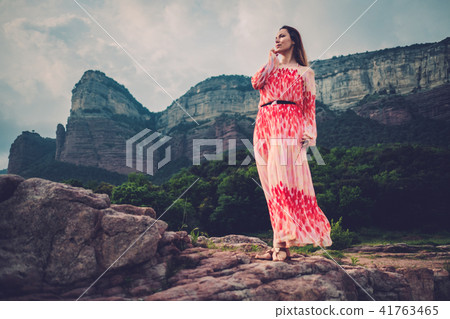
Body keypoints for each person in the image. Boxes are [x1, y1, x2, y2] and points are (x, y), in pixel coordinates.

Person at [252, 25, 332, 261]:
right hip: (264, 124)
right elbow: (256, 83)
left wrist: (309, 133)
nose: (277, 39)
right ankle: (280, 244)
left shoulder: (305, 73)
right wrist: (270, 62)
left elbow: (309, 107)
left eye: (282, 36)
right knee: (270, 187)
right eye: (275, 37)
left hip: (288, 126)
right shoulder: (271, 70)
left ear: (294, 40)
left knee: (283, 185)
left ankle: (281, 245)